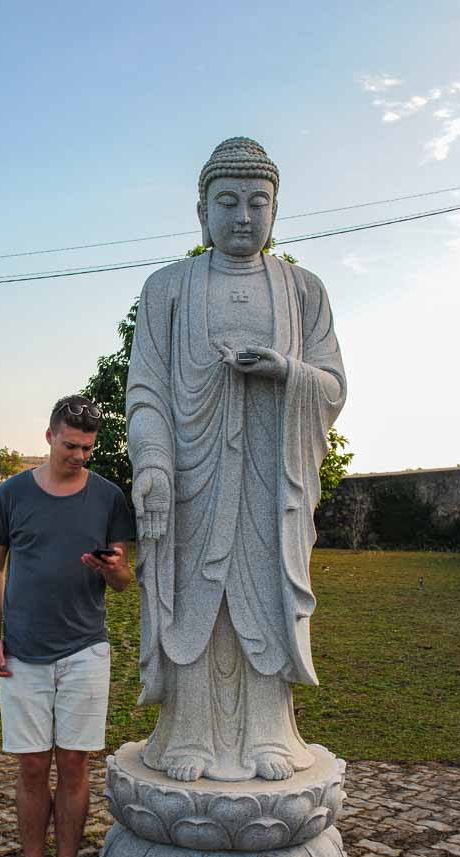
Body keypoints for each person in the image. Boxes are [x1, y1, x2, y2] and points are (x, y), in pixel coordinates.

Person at [127, 137, 347, 783]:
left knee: (263, 599)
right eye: (227, 201)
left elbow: (332, 386)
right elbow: (146, 389)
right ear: (200, 211)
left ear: (276, 211)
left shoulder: (303, 291)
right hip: (192, 480)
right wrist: (153, 465)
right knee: (193, 602)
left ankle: (268, 735)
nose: (242, 216)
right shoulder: (166, 288)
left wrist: (285, 371)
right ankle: (187, 733)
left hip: (267, 482)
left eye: (258, 202)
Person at [0, 395, 134, 857]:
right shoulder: (11, 493)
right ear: (49, 436)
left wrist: (111, 567)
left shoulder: (110, 497)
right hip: (22, 651)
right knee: (30, 765)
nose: (80, 456)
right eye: (71, 445)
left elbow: (124, 580)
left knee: (73, 763)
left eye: (88, 448)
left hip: (85, 650)